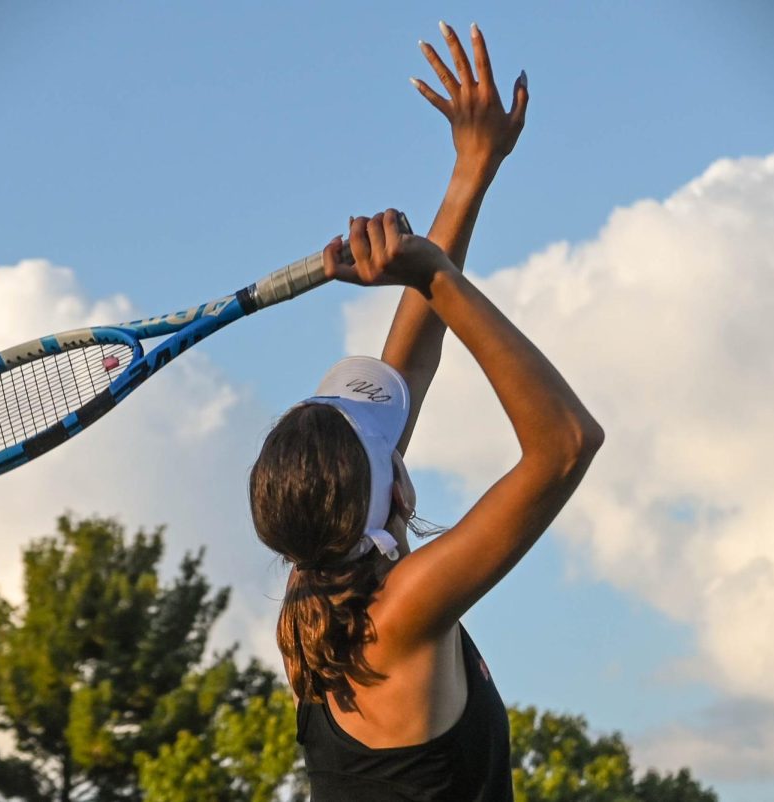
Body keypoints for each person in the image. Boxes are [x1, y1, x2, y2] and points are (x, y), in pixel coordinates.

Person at [249, 22, 604, 801]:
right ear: (396, 494)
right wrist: (435, 275)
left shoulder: (321, 599)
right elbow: (566, 445)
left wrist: (469, 174)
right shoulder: (398, 613)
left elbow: (408, 365)